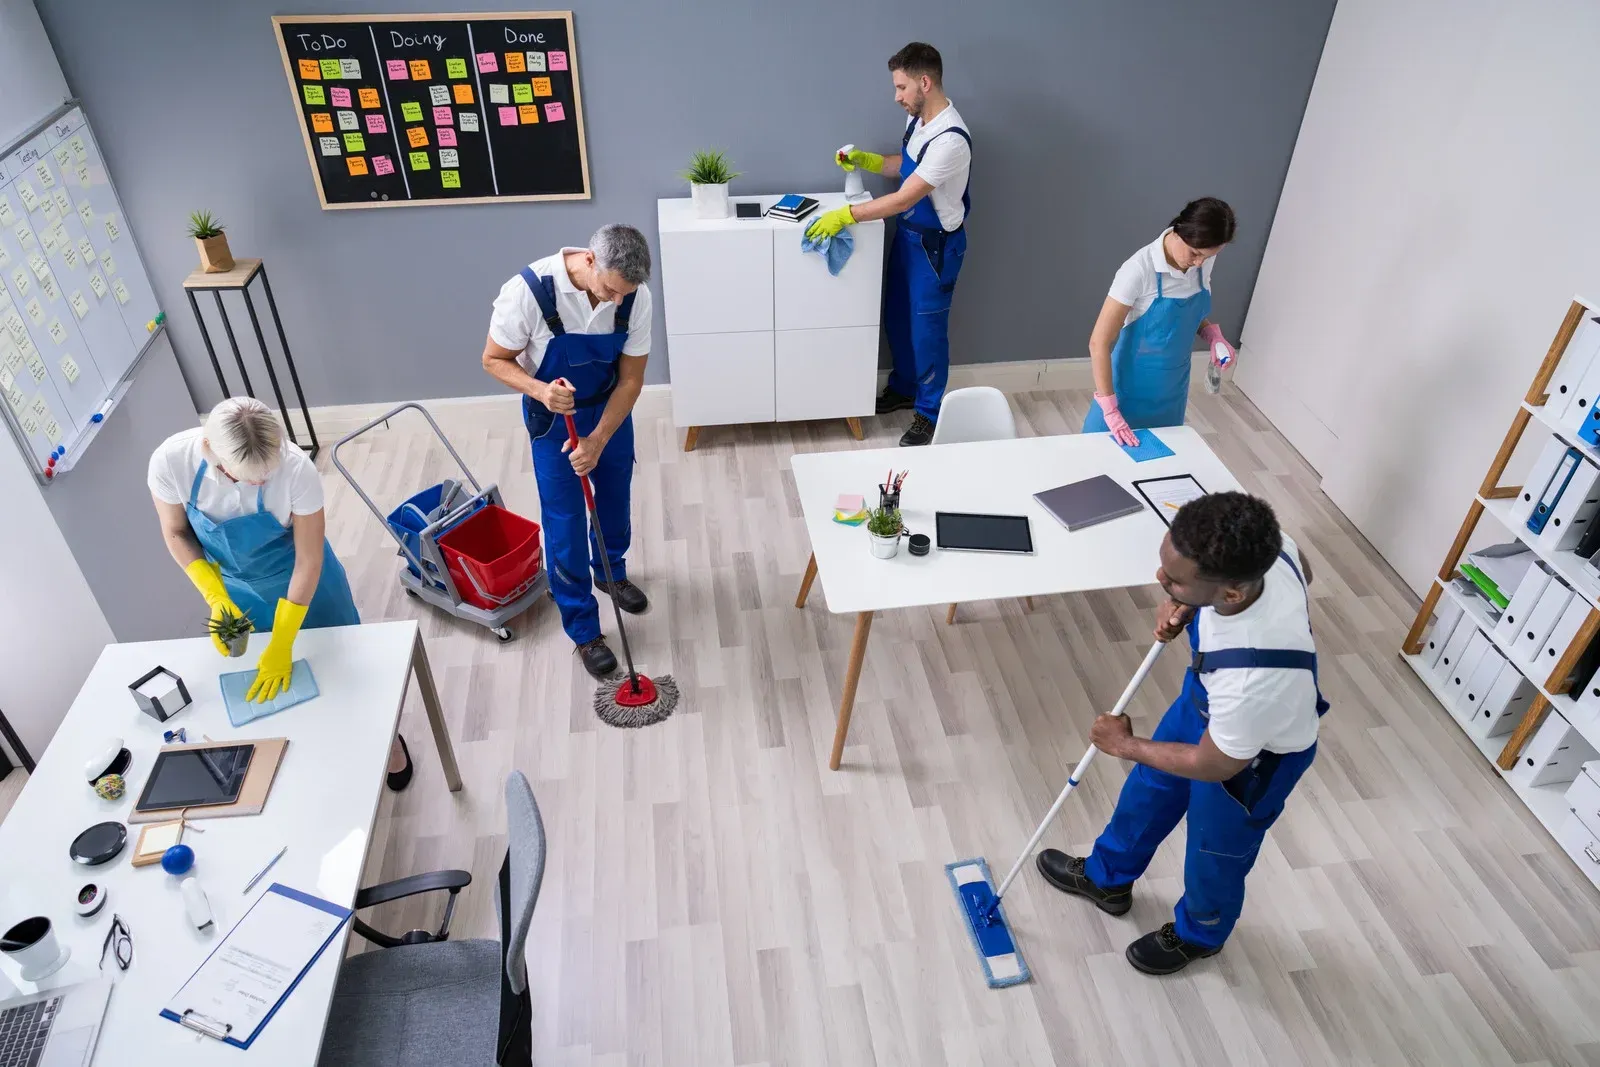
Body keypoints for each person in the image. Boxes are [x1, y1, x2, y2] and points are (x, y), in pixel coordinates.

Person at [1036, 491, 1325, 974]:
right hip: (1205, 704)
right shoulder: (1272, 550)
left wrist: (1125, 745)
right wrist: (1183, 599)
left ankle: (1199, 933)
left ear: (1232, 592)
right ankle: (1108, 879)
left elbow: (1216, 765)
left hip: (1253, 760)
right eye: (1164, 565)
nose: (1159, 579)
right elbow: (1303, 568)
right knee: (1148, 792)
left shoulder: (1251, 680)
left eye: (1174, 579)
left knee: (1214, 851)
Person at [150, 397, 413, 791]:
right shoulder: (172, 462)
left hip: (308, 583)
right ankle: (317, 757)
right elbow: (176, 532)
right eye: (245, 478)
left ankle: (387, 740)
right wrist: (215, 596)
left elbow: (308, 560)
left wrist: (286, 635)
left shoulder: (296, 470)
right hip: (237, 590)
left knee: (345, 667)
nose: (259, 484)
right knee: (276, 691)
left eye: (266, 476)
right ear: (210, 449)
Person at [481, 224, 652, 679]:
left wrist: (597, 441)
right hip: (555, 419)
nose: (619, 301)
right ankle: (583, 627)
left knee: (614, 502)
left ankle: (610, 572)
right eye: (611, 290)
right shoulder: (529, 292)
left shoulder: (635, 295)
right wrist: (539, 391)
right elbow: (493, 359)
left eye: (626, 294)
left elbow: (632, 379)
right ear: (590, 261)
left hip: (610, 414)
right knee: (566, 520)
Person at [806, 41, 970, 447]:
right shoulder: (919, 122)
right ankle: (904, 388)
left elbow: (904, 198)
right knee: (898, 317)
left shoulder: (951, 139)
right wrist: (866, 160)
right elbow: (904, 166)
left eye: (901, 88)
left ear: (925, 83)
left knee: (927, 331)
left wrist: (846, 215)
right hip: (908, 239)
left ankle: (930, 415)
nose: (896, 96)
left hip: (935, 248)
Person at [1082, 198, 1239, 446]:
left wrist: (1212, 336)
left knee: (1158, 471)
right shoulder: (1138, 270)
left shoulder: (1202, 261)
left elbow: (1189, 316)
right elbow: (1098, 342)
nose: (1199, 263)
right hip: (1127, 390)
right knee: (1097, 463)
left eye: (1208, 257)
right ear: (1180, 231)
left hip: (1171, 392)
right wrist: (1110, 409)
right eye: (1196, 254)